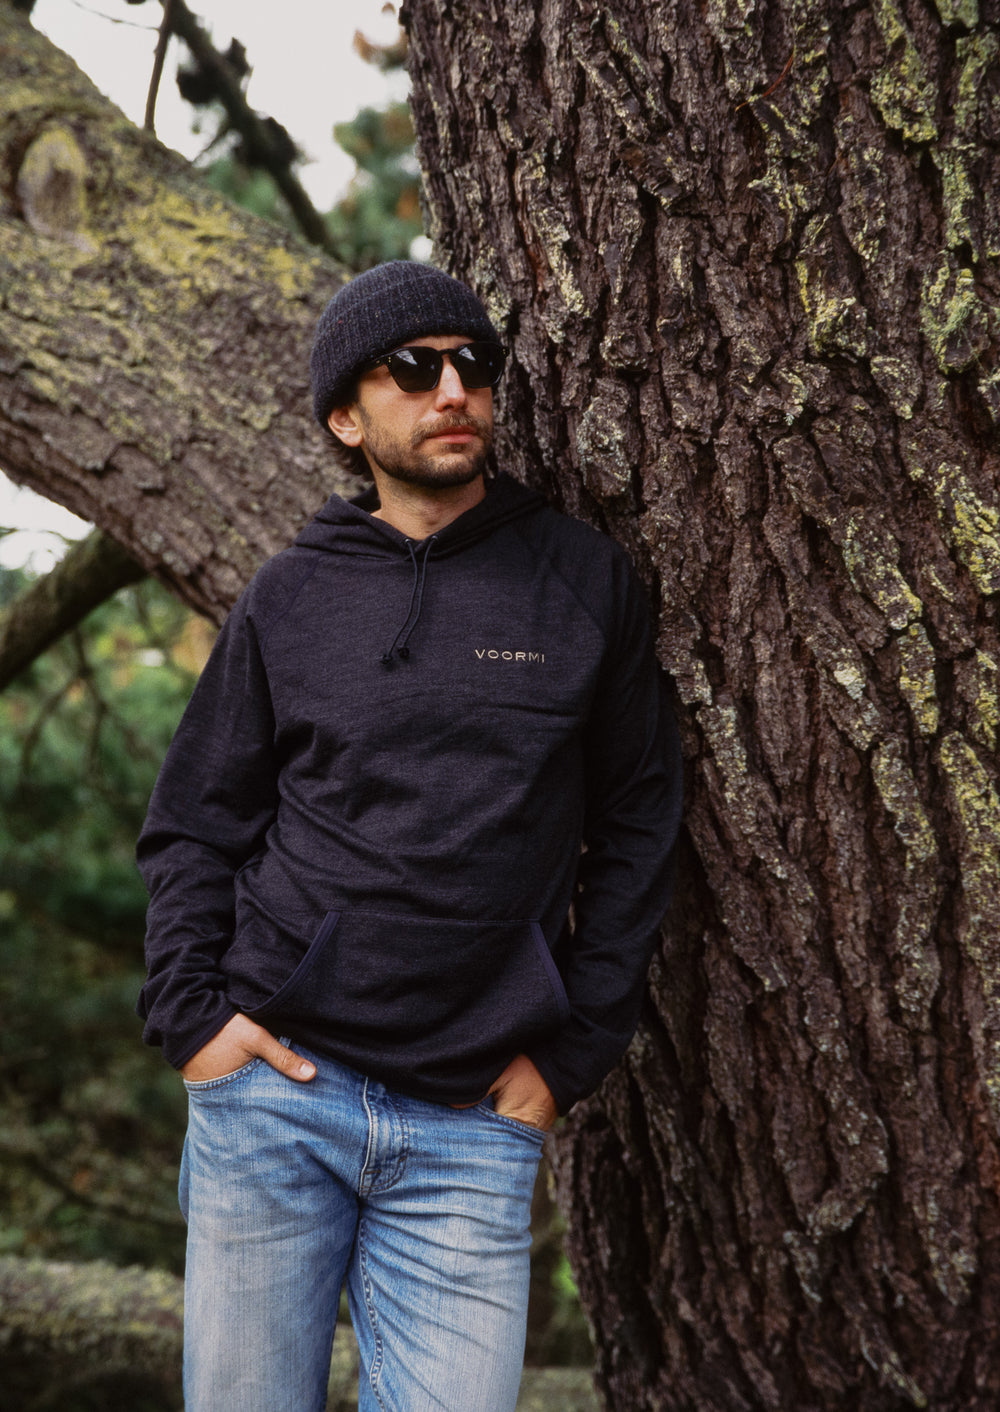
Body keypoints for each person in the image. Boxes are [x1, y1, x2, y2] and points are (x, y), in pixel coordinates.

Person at [136, 259, 682, 1412]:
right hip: (274, 1094)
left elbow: (640, 824)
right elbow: (193, 821)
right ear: (347, 416)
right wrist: (195, 1020)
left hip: (472, 1117)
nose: (453, 390)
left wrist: (570, 1056)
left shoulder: (582, 581)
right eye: (413, 368)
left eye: (473, 363)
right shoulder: (290, 594)